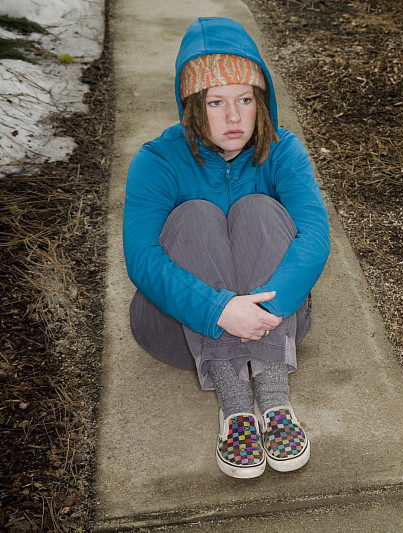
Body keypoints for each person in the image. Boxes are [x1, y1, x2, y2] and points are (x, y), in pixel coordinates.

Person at [123, 17, 330, 479]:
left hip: (271, 322)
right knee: (195, 215)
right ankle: (235, 406)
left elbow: (315, 235)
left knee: (259, 208)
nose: (233, 118)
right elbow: (141, 258)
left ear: (262, 102)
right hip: (176, 329)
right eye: (216, 102)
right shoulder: (156, 160)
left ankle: (274, 399)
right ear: (193, 105)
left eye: (245, 100)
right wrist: (219, 310)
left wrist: (270, 308)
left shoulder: (283, 150)